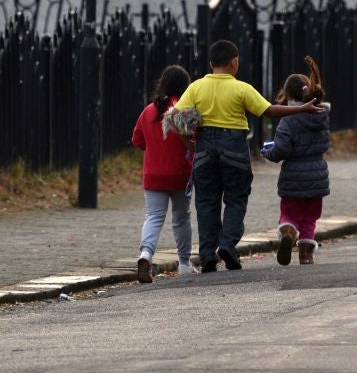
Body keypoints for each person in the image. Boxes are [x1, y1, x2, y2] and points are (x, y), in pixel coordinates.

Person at [175, 39, 322, 272]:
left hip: (204, 146)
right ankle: (227, 245)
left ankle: (207, 254)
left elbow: (177, 117)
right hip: (234, 146)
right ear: (234, 62)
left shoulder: (195, 87)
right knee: (235, 197)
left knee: (206, 202)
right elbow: (269, 110)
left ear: (211, 63)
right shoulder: (241, 88)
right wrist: (301, 108)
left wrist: (190, 144)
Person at [263, 57, 331, 267]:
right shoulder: (322, 116)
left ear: (287, 95)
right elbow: (325, 144)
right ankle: (306, 255)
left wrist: (269, 152)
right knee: (310, 217)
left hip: (293, 175)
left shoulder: (288, 120)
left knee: (291, 213)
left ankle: (288, 233)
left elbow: (282, 149)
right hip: (318, 174)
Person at [131, 64, 195, 283]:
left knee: (154, 217)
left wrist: (155, 150)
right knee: (181, 218)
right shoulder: (185, 111)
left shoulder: (149, 110)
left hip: (154, 174)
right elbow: (195, 139)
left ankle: (145, 254)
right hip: (181, 174)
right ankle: (185, 263)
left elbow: (137, 140)